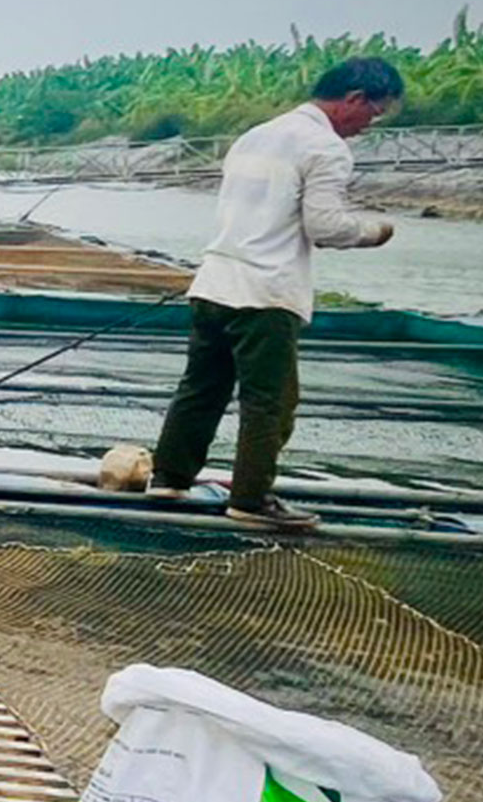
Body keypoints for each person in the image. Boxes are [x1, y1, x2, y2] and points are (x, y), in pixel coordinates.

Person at [149, 58, 404, 530]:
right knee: (270, 402)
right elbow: (325, 227)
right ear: (354, 99)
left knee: (201, 389)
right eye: (375, 111)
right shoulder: (326, 147)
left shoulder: (256, 135)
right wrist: (376, 231)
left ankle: (169, 477)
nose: (371, 123)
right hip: (265, 295)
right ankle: (250, 500)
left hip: (213, 283)